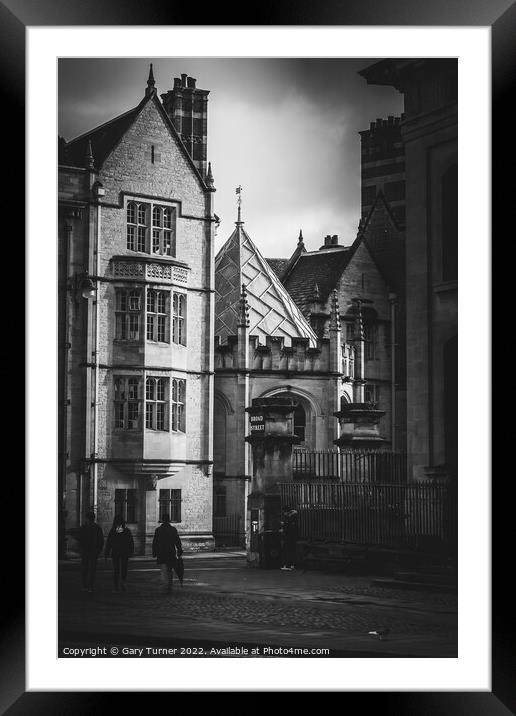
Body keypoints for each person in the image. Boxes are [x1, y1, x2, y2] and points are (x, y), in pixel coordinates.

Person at [152, 513, 183, 594]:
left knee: (164, 570)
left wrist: (154, 552)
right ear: (169, 520)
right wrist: (179, 550)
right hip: (170, 552)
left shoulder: (158, 530)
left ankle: (166, 586)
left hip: (161, 553)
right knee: (169, 570)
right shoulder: (172, 529)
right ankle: (169, 585)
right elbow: (177, 541)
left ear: (162, 520)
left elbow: (155, 542)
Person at [104, 515, 134, 592]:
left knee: (116, 570)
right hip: (124, 552)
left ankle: (116, 586)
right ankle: (123, 582)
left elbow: (109, 543)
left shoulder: (113, 531)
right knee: (124, 568)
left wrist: (106, 553)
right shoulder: (126, 530)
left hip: (116, 552)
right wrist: (131, 551)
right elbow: (131, 542)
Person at [78, 510, 104, 592]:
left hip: (86, 550)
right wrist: (99, 550)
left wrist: (81, 548)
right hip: (93, 551)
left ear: (87, 518)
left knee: (85, 569)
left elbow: (80, 538)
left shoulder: (84, 527)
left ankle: (85, 586)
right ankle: (91, 586)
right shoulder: (97, 527)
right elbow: (101, 540)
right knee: (92, 570)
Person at [280, 507, 299, 571]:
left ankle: (289, 565)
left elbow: (289, 526)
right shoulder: (294, 516)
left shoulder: (290, 517)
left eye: (284, 512)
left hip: (289, 536)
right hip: (293, 536)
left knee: (288, 550)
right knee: (292, 550)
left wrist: (284, 525)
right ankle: (292, 565)